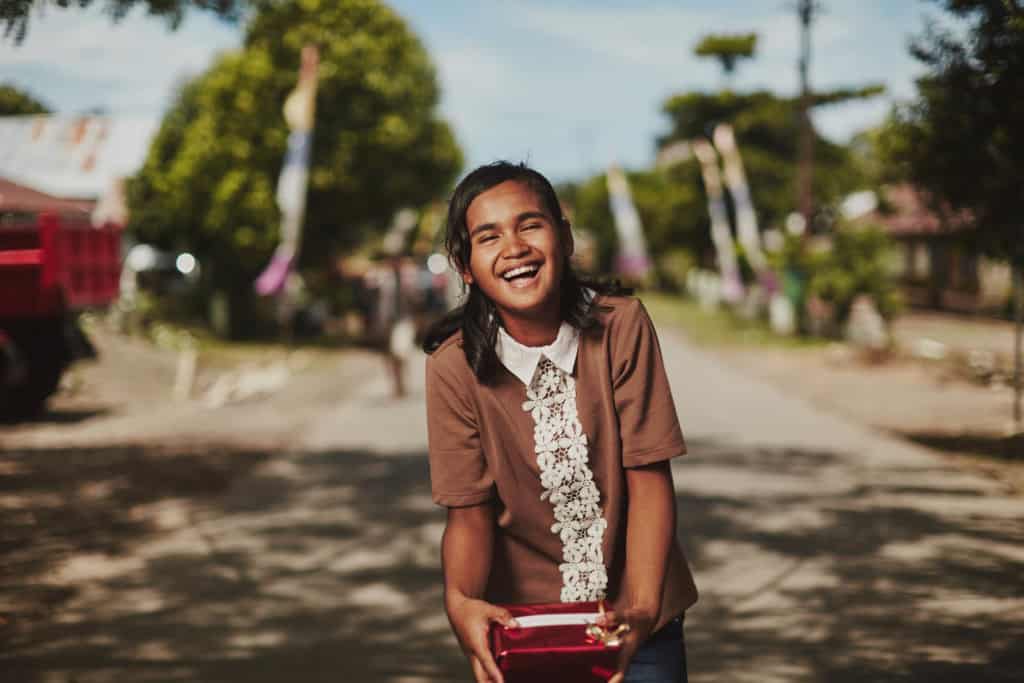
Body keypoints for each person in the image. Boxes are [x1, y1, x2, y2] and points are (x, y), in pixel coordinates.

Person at [423, 161, 697, 683]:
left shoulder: (622, 326)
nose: (515, 247)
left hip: (641, 618)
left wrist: (639, 608)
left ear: (564, 238)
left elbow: (649, 477)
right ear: (465, 265)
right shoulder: (452, 367)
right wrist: (461, 603)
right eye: (489, 236)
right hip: (527, 628)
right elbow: (469, 514)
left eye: (530, 224)